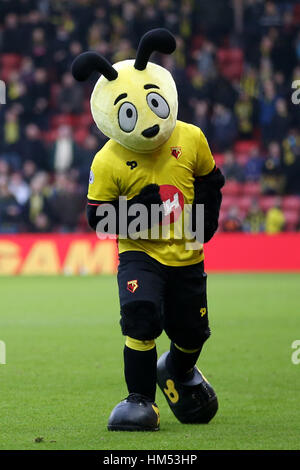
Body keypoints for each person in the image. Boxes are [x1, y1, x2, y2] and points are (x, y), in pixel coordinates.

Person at [72, 29, 224, 431]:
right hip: (139, 252)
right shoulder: (107, 161)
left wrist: (207, 217)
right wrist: (140, 210)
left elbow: (211, 179)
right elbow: (98, 219)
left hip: (188, 249)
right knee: (140, 317)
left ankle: (176, 369)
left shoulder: (191, 137)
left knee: (194, 332)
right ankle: (139, 400)